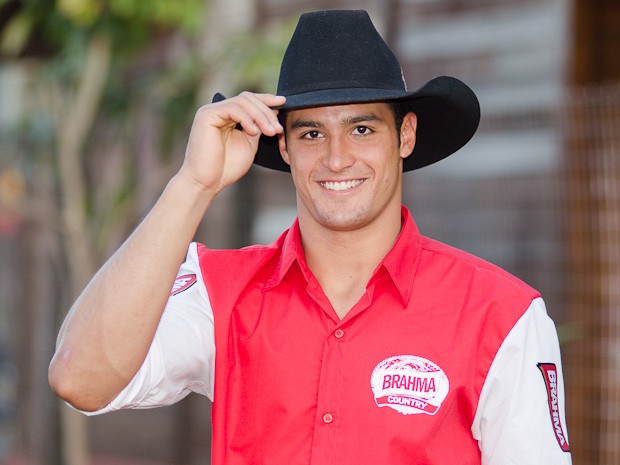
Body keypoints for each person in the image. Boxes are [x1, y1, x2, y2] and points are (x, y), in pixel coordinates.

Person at [49, 9, 572, 465]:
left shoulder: (501, 315)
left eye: (362, 129)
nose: (336, 158)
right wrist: (193, 184)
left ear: (404, 136)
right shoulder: (220, 293)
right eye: (311, 133)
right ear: (285, 149)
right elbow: (81, 380)